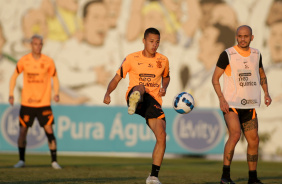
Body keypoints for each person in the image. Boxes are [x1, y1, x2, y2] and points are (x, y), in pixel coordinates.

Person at [103, 27, 170, 184]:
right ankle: (134, 101)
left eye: (157, 42)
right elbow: (116, 78)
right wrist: (108, 93)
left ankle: (153, 177)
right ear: (144, 41)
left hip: (153, 102)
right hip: (136, 95)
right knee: (140, 88)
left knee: (161, 136)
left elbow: (166, 77)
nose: (154, 45)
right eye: (151, 41)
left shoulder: (163, 60)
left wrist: (164, 87)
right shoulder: (132, 58)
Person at [212, 25, 272, 184]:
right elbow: (215, 78)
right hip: (231, 104)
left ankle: (252, 178)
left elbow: (261, 74)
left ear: (252, 37)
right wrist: (221, 98)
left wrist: (266, 93)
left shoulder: (256, 54)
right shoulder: (227, 54)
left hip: (249, 106)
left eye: (246, 36)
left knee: (254, 141)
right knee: (235, 134)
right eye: (240, 36)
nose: (243, 39)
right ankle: (225, 176)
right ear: (236, 37)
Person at [9, 34, 62, 169]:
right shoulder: (24, 60)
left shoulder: (48, 61)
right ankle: (21, 160)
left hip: (43, 103)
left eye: (40, 44)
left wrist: (56, 93)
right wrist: (11, 94)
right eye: (35, 44)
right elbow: (14, 76)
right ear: (31, 45)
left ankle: (54, 161)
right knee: (23, 132)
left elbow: (55, 78)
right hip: (27, 103)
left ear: (42, 45)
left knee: (49, 130)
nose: (37, 46)